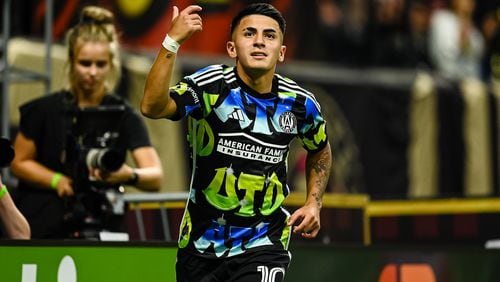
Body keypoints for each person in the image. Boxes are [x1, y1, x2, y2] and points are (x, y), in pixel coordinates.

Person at [141, 3, 332, 281]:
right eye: (249, 33)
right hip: (200, 246)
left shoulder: (300, 104)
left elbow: (320, 149)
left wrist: (314, 202)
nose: (258, 42)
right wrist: (172, 42)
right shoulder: (211, 86)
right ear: (232, 48)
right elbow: (152, 106)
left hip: (264, 243)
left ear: (281, 52)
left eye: (269, 35)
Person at [11, 6, 163, 239]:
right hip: (45, 221)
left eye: (100, 64)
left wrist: (128, 175)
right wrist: (56, 180)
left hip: (104, 220)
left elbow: (155, 176)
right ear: (71, 61)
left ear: (111, 64)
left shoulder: (122, 114)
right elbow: (18, 162)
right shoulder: (44, 110)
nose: (92, 72)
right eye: (85, 63)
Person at [428, 0, 485, 80]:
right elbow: (441, 58)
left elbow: (475, 64)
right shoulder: (441, 19)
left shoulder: (476, 33)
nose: (469, 2)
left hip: (470, 82)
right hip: (444, 79)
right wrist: (460, 42)